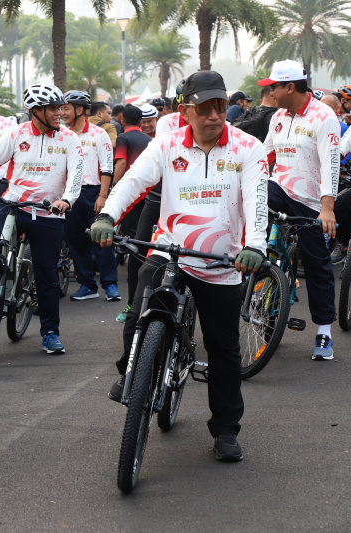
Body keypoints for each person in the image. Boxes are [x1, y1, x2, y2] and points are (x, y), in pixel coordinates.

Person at [91, 70, 269, 462]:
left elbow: (258, 202)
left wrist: (255, 244)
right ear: (186, 110)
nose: (215, 115)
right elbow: (133, 182)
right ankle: (134, 371)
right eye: (205, 107)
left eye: (220, 106)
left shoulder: (248, 148)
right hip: (170, 251)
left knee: (223, 349)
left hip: (222, 261)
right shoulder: (166, 145)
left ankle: (225, 430)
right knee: (138, 310)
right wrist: (109, 215)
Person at [0, 84, 83, 355]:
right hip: (12, 206)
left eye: (60, 107)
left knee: (47, 276)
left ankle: (50, 333)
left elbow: (76, 175)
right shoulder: (16, 134)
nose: (59, 113)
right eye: (52, 108)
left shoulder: (69, 139)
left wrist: (67, 200)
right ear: (35, 111)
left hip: (48, 212)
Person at [260, 60, 339, 360]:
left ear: (290, 87)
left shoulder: (324, 116)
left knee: (318, 263)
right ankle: (257, 272)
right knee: (254, 208)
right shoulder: (278, 116)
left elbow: (331, 163)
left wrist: (327, 209)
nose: (270, 92)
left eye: (273, 87)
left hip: (310, 201)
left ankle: (323, 333)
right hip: (279, 188)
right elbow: (264, 154)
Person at [59, 90, 118, 302]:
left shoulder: (98, 134)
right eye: (61, 108)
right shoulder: (61, 134)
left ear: (80, 109)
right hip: (69, 196)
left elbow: (107, 167)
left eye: (66, 108)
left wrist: (102, 197)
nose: (62, 113)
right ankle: (87, 285)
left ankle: (110, 285)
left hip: (94, 193)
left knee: (102, 240)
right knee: (76, 242)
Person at [111, 105, 153, 323]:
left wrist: (114, 189)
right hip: (151, 196)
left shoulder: (123, 139)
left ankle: (133, 305)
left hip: (132, 198)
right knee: (145, 244)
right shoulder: (149, 140)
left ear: (121, 119)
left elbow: (122, 162)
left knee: (134, 247)